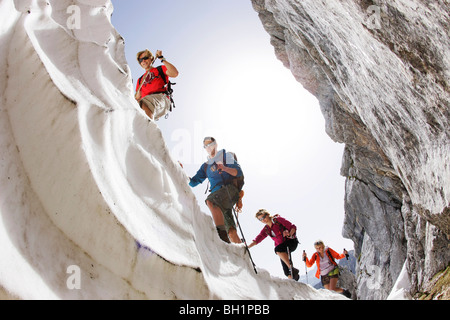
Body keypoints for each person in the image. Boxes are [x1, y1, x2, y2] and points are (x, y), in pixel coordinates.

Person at [188, 137, 244, 244]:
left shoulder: (225, 156)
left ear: (216, 144)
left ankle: (221, 237)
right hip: (220, 200)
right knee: (231, 232)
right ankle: (240, 253)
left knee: (211, 201)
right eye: (206, 146)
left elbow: (238, 172)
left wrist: (225, 168)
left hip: (229, 190)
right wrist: (181, 172)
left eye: (211, 144)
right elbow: (193, 182)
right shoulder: (205, 166)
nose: (208, 147)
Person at [248, 209, 299, 280]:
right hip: (282, 249)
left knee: (277, 249)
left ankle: (292, 269)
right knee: (286, 272)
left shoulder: (277, 220)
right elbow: (258, 239)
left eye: (263, 217)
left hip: (291, 242)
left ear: (268, 215)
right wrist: (247, 247)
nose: (263, 220)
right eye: (260, 219)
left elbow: (293, 227)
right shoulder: (266, 229)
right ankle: (294, 278)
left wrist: (289, 234)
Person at [135, 49, 179, 120]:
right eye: (140, 60)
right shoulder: (140, 80)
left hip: (161, 98)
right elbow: (137, 98)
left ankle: (148, 127)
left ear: (151, 59)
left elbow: (174, 73)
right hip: (148, 105)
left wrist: (162, 58)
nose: (143, 61)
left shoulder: (160, 69)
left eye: (145, 58)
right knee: (136, 107)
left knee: (144, 102)